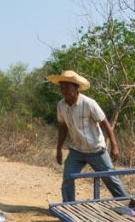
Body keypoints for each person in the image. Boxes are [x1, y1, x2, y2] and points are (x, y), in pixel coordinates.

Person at [48, 70, 127, 202]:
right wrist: (58, 150)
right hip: (77, 150)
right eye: (62, 87)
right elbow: (62, 127)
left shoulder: (89, 103)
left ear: (76, 87)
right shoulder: (61, 105)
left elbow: (105, 123)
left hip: (96, 149)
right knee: (68, 177)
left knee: (110, 177)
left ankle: (127, 203)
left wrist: (115, 146)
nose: (64, 90)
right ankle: (69, 206)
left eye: (67, 87)